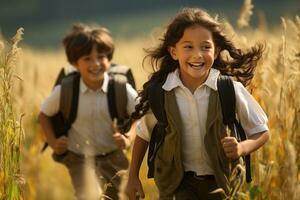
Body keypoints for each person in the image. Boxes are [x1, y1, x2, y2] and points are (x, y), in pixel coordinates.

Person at [125, 7, 269, 200]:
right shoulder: (162, 94)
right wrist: (133, 176)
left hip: (222, 184)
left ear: (216, 51)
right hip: (177, 185)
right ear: (174, 52)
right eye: (188, 47)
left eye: (205, 47)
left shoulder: (229, 90)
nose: (198, 55)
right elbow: (144, 135)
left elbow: (262, 132)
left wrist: (242, 148)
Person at [39, 24, 138, 200]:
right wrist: (53, 142)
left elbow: (138, 116)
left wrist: (129, 137)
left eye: (101, 57)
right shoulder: (66, 90)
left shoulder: (121, 88)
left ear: (109, 58)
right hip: (79, 158)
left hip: (113, 156)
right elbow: (44, 114)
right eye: (87, 58)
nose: (96, 64)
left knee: (119, 197)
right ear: (74, 63)